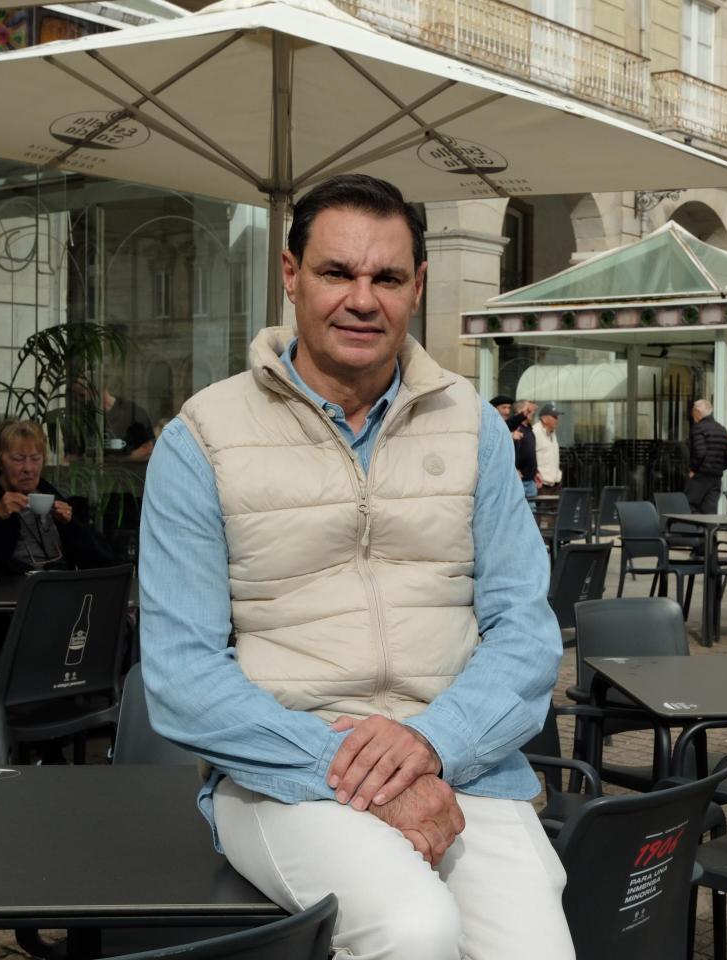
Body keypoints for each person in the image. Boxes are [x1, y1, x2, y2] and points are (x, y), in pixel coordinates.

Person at [137, 174, 572, 960]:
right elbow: (181, 675)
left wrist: (432, 742)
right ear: (291, 274)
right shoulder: (201, 437)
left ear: (419, 286)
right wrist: (344, 762)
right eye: (337, 272)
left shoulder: (472, 426)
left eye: (388, 278)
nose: (362, 300)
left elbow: (527, 633)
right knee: (414, 930)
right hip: (279, 771)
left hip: (459, 759)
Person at [0, 420, 114, 578]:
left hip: (58, 591)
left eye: (35, 459)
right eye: (18, 459)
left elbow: (104, 562)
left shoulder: (51, 496)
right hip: (6, 598)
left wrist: (71, 525)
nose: (28, 468)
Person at [685, 397, 727, 513]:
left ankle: (695, 525)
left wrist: (693, 469)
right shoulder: (721, 429)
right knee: (710, 511)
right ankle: (708, 526)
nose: (692, 415)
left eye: (693, 412)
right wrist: (719, 467)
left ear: (697, 412)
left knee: (688, 506)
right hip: (716, 478)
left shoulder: (698, 428)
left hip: (701, 475)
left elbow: (700, 453)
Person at [532, 403, 562, 492]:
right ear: (544, 418)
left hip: (555, 483)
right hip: (541, 483)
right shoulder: (534, 432)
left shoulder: (553, 432)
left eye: (557, 417)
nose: (557, 420)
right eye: (554, 417)